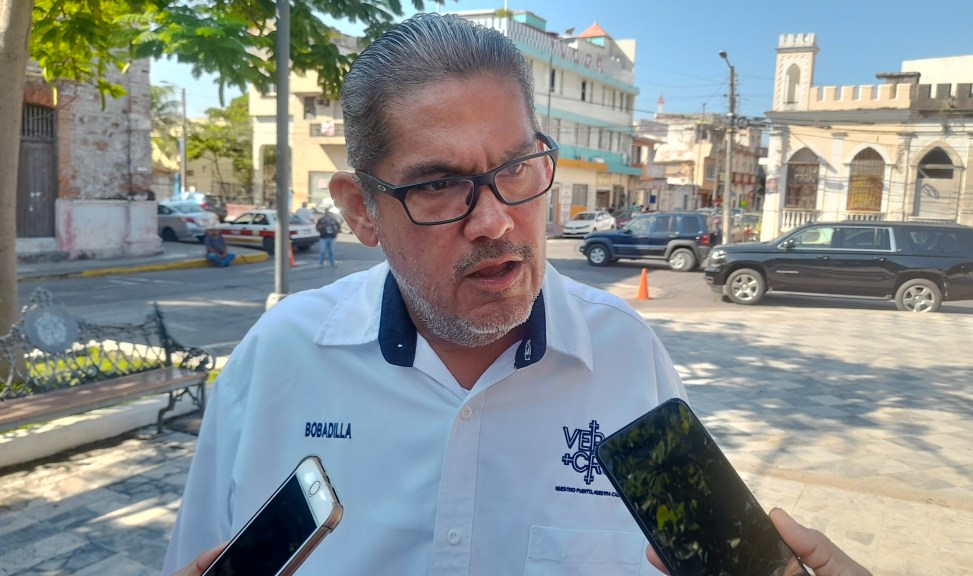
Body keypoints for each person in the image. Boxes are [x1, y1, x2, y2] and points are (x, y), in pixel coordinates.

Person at [165, 13, 871, 576]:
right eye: (439, 184)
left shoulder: (626, 359)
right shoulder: (279, 360)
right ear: (360, 210)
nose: (496, 221)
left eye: (518, 168)